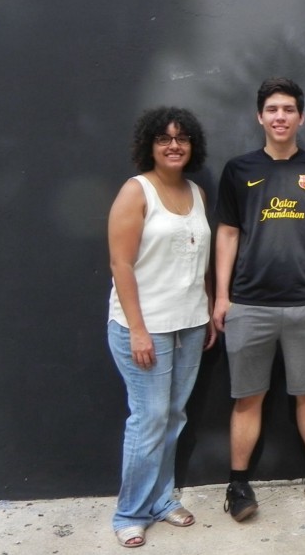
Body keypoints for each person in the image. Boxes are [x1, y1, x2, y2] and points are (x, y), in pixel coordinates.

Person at [213, 77, 305, 520]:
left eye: (288, 109)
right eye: (272, 109)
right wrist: (221, 296)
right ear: (260, 116)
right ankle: (237, 486)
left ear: (301, 117)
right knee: (247, 397)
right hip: (249, 304)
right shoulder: (239, 170)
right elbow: (228, 233)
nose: (280, 117)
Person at [107, 107, 216, 547]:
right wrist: (137, 329)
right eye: (165, 139)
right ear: (149, 145)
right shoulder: (137, 192)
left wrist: (205, 310)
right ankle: (128, 513)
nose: (174, 145)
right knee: (149, 418)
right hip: (144, 325)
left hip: (189, 324)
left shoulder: (195, 192)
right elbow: (121, 263)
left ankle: (161, 500)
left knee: (173, 416)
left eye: (182, 138)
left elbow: (200, 258)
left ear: (192, 146)